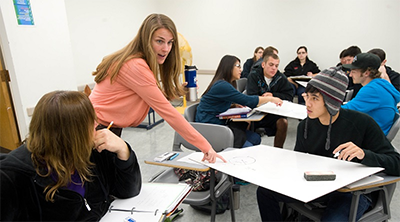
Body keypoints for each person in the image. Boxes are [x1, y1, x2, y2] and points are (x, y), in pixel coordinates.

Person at [257, 67, 400, 222]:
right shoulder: (305, 126)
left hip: (352, 192)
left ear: (332, 101)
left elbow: (397, 163)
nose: (307, 104)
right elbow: (298, 164)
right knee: (264, 192)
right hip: (316, 188)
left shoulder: (362, 123)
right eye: (307, 97)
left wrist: (365, 155)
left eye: (315, 98)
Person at [89, 13, 224, 163]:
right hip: (94, 130)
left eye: (170, 42)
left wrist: (178, 90)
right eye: (160, 41)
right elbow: (168, 112)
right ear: (146, 40)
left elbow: (150, 96)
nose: (166, 49)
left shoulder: (137, 61)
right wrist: (205, 147)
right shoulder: (135, 66)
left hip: (102, 127)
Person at [0, 91, 142, 221]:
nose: (97, 125)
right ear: (72, 135)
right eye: (90, 122)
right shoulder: (14, 177)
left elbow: (128, 191)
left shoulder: (94, 151)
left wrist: (123, 150)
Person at [196, 55, 283, 148]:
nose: (240, 70)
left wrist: (232, 105)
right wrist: (270, 99)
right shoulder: (222, 85)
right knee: (248, 146)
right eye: (238, 66)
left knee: (256, 138)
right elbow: (247, 100)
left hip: (220, 124)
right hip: (211, 128)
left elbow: (216, 104)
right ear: (228, 67)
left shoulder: (226, 83)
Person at [342, 53, 400, 136]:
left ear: (366, 73)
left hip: (370, 138)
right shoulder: (382, 84)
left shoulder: (372, 90)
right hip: (374, 132)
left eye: (354, 72)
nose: (350, 75)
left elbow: (345, 112)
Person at [246, 52, 293, 148]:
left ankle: (278, 149)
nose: (274, 68)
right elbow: (251, 96)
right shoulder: (254, 75)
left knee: (283, 122)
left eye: (276, 66)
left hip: (273, 112)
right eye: (271, 65)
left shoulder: (280, 78)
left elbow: (289, 95)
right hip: (256, 111)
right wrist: (266, 99)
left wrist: (273, 95)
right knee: (246, 122)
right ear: (263, 64)